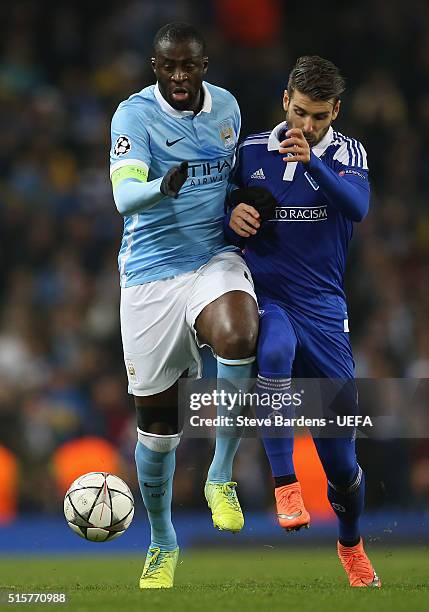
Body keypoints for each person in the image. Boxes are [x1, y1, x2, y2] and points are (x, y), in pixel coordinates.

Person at [109, 22, 258, 589]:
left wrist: (244, 206)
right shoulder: (134, 116)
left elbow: (234, 180)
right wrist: (158, 188)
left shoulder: (228, 110)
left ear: (203, 65)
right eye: (168, 67)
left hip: (211, 260)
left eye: (188, 66)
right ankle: (162, 542)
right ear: (155, 67)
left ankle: (220, 476)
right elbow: (125, 195)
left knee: (240, 332)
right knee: (158, 428)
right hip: (149, 277)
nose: (178, 77)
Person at [226, 55, 381, 588]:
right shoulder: (248, 152)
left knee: (342, 465)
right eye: (298, 113)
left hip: (324, 310)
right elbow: (219, 211)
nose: (306, 127)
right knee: (272, 354)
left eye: (318, 117)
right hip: (267, 294)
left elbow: (357, 207)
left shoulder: (346, 153)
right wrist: (231, 215)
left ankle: (351, 541)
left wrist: (313, 160)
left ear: (335, 111)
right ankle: (285, 484)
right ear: (284, 102)